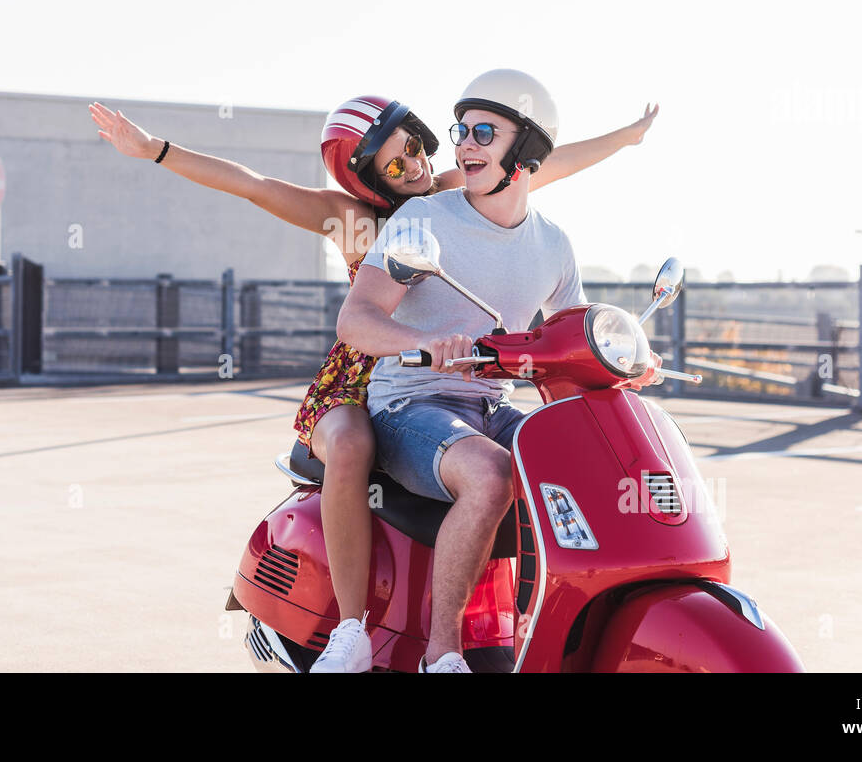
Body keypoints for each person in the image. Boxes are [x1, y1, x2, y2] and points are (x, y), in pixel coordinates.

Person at [90, 90, 661, 672]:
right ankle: (348, 630)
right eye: (393, 164)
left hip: (450, 371)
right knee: (354, 444)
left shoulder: (448, 194)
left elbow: (540, 164)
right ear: (365, 179)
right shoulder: (352, 218)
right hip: (362, 374)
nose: (413, 166)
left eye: (414, 148)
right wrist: (155, 150)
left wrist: (622, 139)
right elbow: (251, 183)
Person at [336, 69, 662, 673]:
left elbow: (571, 336)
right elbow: (355, 321)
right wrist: (425, 342)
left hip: (487, 405)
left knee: (591, 459)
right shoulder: (424, 222)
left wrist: (628, 360)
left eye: (483, 131)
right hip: (411, 404)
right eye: (460, 130)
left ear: (527, 150)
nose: (464, 144)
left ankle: (562, 629)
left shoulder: (553, 245)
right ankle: (443, 653)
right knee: (491, 475)